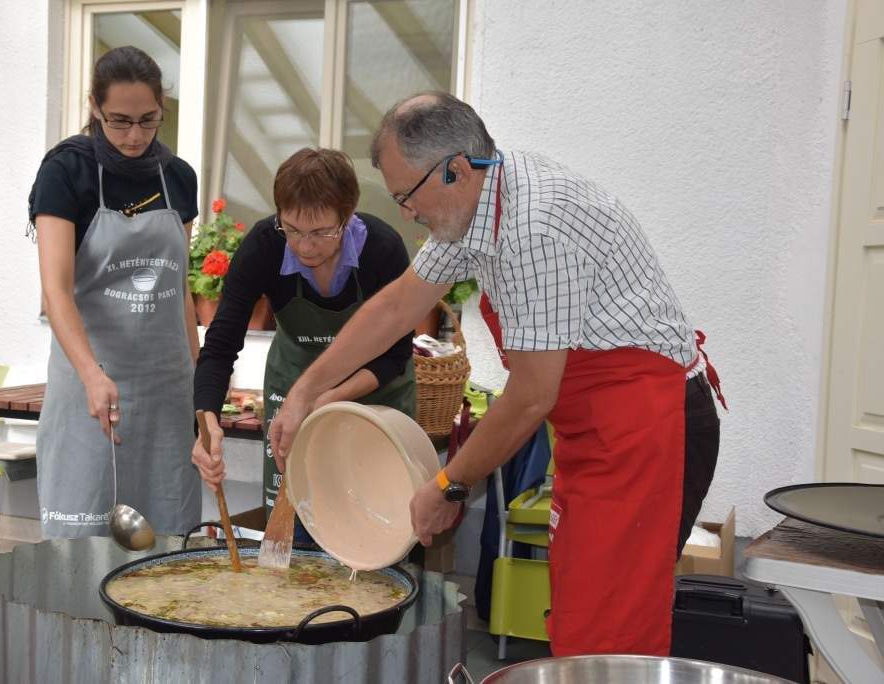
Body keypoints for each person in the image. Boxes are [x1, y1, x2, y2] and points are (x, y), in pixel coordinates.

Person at [269, 92, 725, 656]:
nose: (407, 213)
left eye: (407, 197)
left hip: (650, 429)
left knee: (610, 635)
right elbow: (396, 308)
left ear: (455, 169)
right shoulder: (476, 210)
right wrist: (304, 392)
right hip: (598, 430)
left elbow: (532, 396)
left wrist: (449, 483)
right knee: (582, 616)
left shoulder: (534, 228)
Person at [191, 148, 415, 536]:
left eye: (321, 232)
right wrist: (205, 422)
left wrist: (325, 399)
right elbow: (221, 344)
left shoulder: (382, 248)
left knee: (377, 525)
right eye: (292, 229)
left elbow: (396, 354)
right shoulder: (264, 246)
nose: (305, 245)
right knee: (297, 526)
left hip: (376, 395)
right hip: (291, 385)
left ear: (347, 217)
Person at [28, 46, 201, 538]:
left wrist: (199, 385)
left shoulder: (178, 178)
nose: (134, 136)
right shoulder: (66, 171)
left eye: (149, 121)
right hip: (91, 387)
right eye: (119, 121)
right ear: (94, 107)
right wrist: (91, 374)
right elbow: (56, 290)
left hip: (167, 391)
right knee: (80, 542)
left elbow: (179, 290)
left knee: (165, 541)